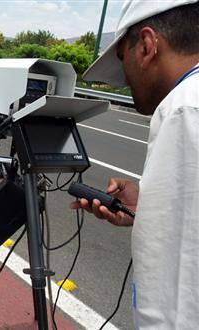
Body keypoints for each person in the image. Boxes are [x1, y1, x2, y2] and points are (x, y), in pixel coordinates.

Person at [70, 0, 199, 328]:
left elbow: (178, 301)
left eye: (121, 61)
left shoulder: (183, 110)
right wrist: (151, 209)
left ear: (146, 45)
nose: (124, 81)